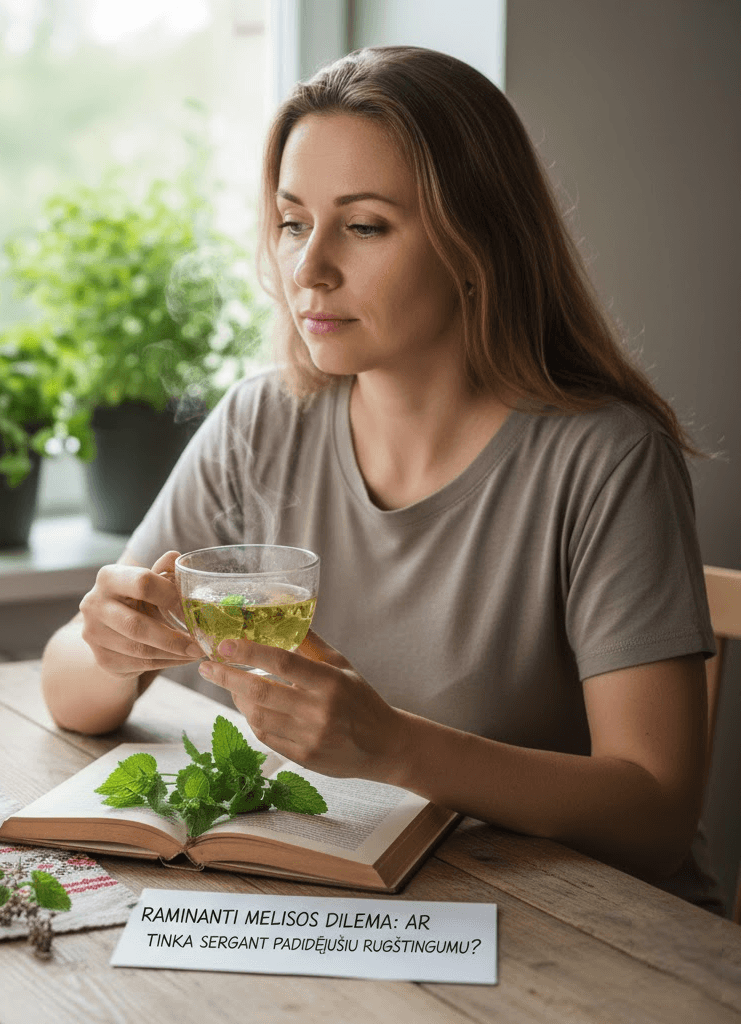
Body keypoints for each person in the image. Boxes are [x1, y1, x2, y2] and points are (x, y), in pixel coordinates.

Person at [41, 47, 719, 909]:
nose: (308, 268)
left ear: (477, 245)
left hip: (597, 937)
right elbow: (68, 686)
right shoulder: (262, 424)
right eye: (293, 222)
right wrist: (116, 646)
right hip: (372, 909)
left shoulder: (607, 459)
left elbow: (656, 817)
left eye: (363, 227)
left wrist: (394, 747)